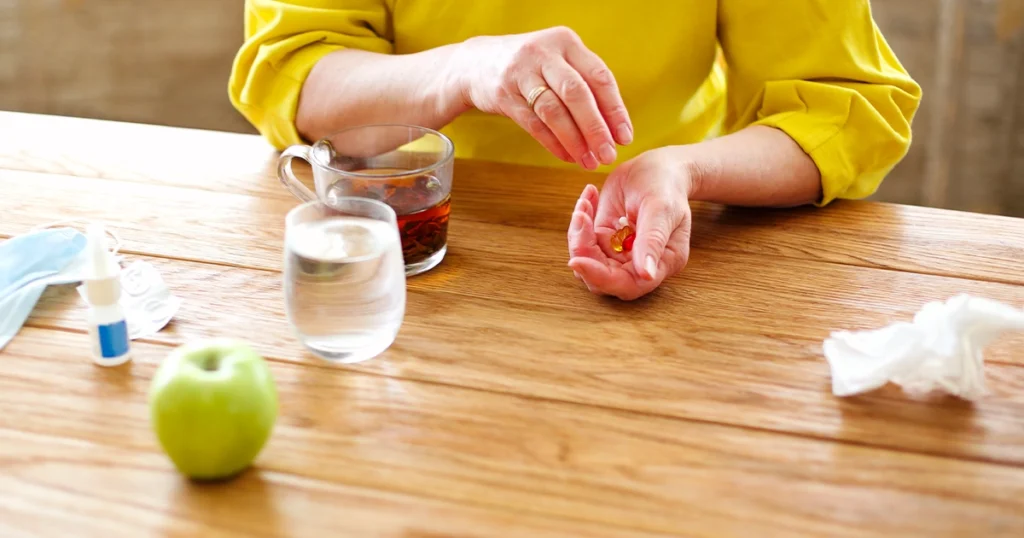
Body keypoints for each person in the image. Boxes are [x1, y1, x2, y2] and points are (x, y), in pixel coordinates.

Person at [228, 1, 922, 301]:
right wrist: (463, 69)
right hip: (396, 257)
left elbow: (846, 109)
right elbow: (293, 72)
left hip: (676, 251)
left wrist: (685, 169)